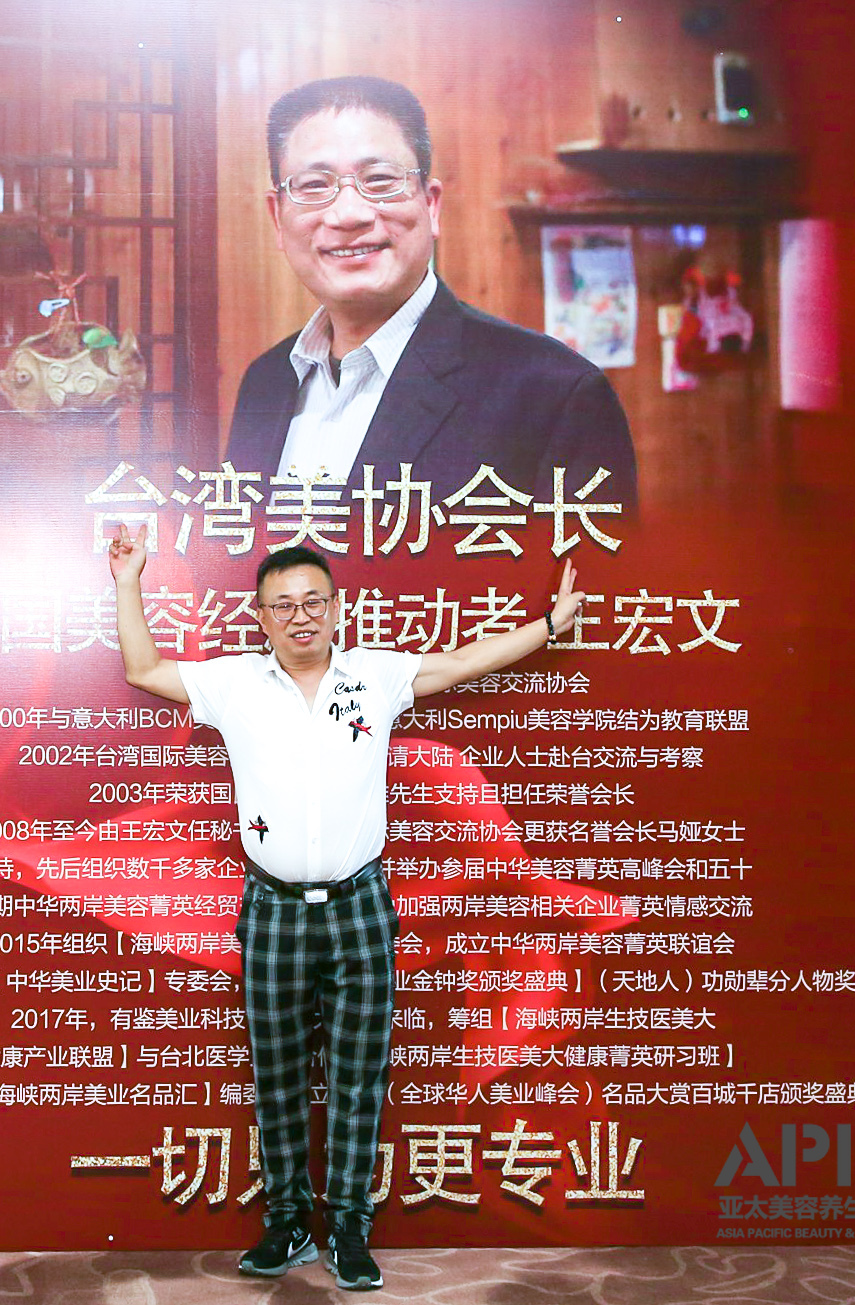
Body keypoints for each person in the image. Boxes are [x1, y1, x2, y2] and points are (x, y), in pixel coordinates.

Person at [106, 524, 585, 1290]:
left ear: (337, 609)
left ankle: (351, 1230)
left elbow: (464, 661)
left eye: (313, 602)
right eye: (283, 605)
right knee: (277, 1077)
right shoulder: (234, 683)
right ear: (261, 617)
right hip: (272, 909)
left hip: (360, 905)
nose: (300, 616)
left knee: (361, 1077)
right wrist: (129, 580)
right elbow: (144, 668)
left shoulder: (377, 675)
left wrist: (551, 625)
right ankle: (288, 1223)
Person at [225, 75, 637, 512]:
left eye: (379, 179)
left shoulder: (556, 395)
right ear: (277, 218)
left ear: (431, 204)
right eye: (313, 186)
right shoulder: (265, 382)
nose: (348, 214)